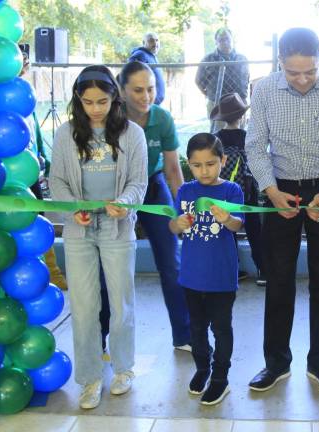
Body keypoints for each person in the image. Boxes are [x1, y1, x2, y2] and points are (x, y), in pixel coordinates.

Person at [245, 27, 319, 393]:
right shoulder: (264, 89)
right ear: (280, 63)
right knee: (278, 279)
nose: (302, 79)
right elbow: (254, 145)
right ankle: (276, 363)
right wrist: (271, 190)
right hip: (280, 191)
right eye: (293, 72)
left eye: (310, 71)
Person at [49, 65, 147, 409]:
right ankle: (89, 379)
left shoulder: (132, 133)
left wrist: (125, 203)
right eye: (88, 102)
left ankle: (123, 369)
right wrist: (72, 208)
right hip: (79, 229)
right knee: (85, 306)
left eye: (102, 101)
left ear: (114, 98)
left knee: (121, 303)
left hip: (117, 226)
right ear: (78, 99)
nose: (95, 108)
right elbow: (56, 180)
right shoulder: (65, 134)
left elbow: (139, 181)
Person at [109, 60, 191, 352]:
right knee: (111, 267)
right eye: (138, 90)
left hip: (153, 188)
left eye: (152, 89)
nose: (146, 96)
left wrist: (183, 209)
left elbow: (172, 169)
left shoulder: (162, 119)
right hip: (116, 193)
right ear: (122, 90)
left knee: (171, 262)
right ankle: (102, 341)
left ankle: (184, 335)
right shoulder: (110, 118)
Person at [168, 133, 244, 405]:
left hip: (221, 279)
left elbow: (239, 225)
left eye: (211, 164)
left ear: (222, 161)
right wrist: (178, 224)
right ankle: (203, 368)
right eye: (198, 165)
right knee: (197, 329)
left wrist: (228, 218)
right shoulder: (185, 191)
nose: (204, 171)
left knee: (222, 328)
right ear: (189, 164)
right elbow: (173, 226)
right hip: (190, 277)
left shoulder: (231, 191)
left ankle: (221, 379)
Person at [20, 47, 68, 290]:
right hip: (12, 174)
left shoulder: (25, 97)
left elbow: (35, 132)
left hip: (31, 171)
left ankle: (51, 272)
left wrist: (44, 160)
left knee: (40, 219)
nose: (24, 68)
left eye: (26, 63)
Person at [211, 92, 265, 286]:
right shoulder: (247, 137)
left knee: (228, 229)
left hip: (224, 193)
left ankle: (232, 270)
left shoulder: (215, 140)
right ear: (241, 116)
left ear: (222, 118)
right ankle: (263, 270)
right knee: (254, 230)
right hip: (247, 192)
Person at [195, 29, 250, 133]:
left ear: (232, 39)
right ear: (216, 42)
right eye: (221, 40)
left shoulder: (242, 58)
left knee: (240, 135)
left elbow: (247, 79)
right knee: (218, 135)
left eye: (227, 39)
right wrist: (210, 96)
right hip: (218, 105)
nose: (225, 42)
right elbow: (198, 81)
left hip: (239, 104)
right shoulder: (208, 59)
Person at [128, 32, 166, 105]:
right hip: (147, 103)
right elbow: (130, 72)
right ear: (144, 43)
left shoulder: (151, 56)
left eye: (157, 40)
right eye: (151, 40)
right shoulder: (140, 54)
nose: (155, 43)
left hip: (154, 103)